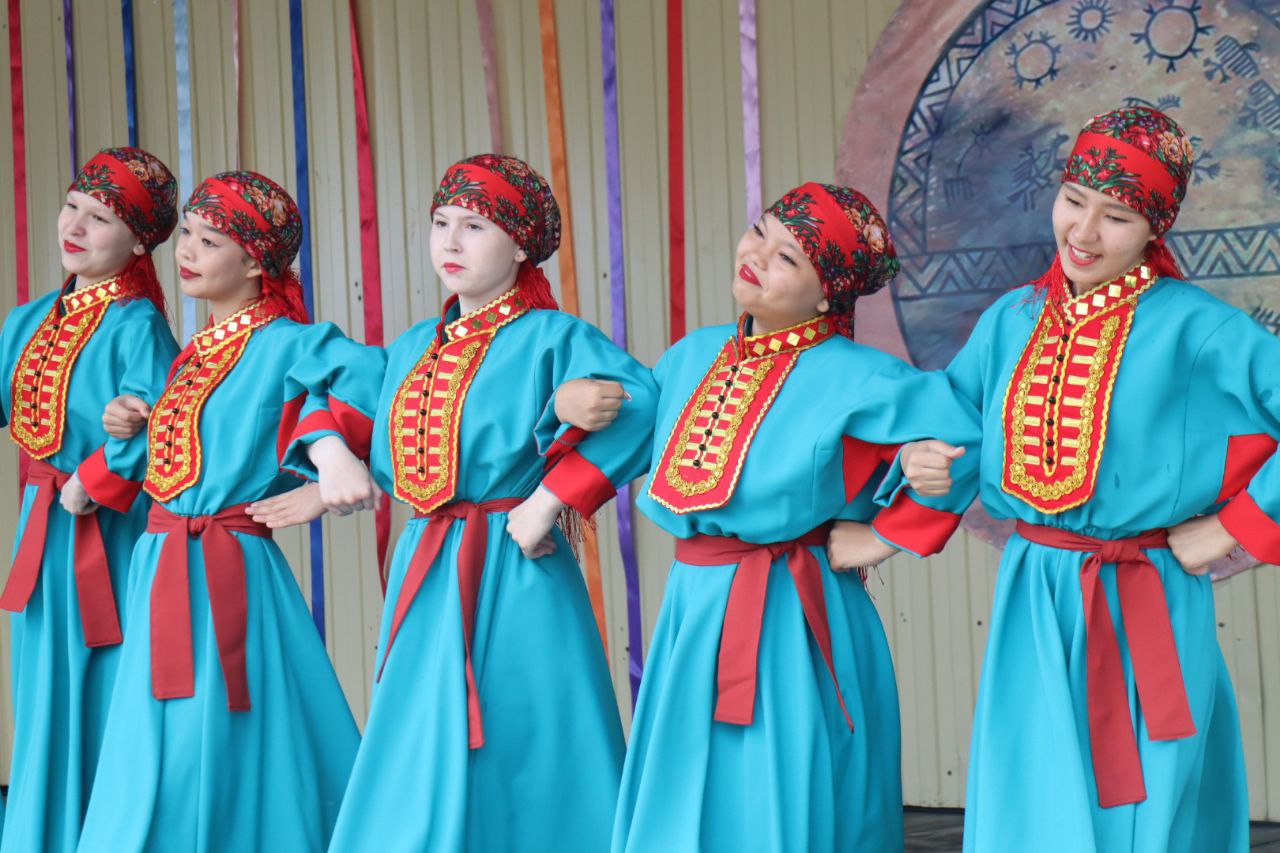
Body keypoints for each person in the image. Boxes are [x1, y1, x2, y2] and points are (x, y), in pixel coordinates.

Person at [865, 106, 1262, 851]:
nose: (1083, 231)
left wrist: (1232, 526)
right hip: (1034, 593)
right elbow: (953, 423)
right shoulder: (1012, 319)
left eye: (1116, 216)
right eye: (1074, 200)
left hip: (1146, 596)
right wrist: (918, 461)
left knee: (1146, 807)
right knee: (1032, 799)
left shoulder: (1198, 327)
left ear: (1155, 228)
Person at [589, 182, 980, 852]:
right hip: (694, 608)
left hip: (793, 615)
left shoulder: (864, 376)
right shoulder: (691, 355)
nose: (757, 256)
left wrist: (885, 534)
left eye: (788, 257)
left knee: (785, 788)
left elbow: (964, 440)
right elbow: (627, 419)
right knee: (689, 790)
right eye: (759, 232)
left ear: (829, 295)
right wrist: (569, 400)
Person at [326, 154, 658, 852]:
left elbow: (641, 406)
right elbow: (330, 398)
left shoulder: (556, 337)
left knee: (526, 730)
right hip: (425, 563)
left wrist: (551, 496)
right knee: (418, 729)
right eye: (440, 222)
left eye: (475, 226)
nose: (450, 241)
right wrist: (324, 459)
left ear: (521, 246)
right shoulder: (411, 348)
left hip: (515, 558)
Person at [77, 171, 383, 851]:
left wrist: (330, 461)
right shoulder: (197, 351)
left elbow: (367, 380)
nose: (187, 250)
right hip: (162, 561)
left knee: (213, 738)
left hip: (226, 572)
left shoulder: (288, 340)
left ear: (254, 263)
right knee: (155, 742)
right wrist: (132, 418)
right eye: (185, 233)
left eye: (210, 241)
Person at [0, 147, 179, 852]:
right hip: (41, 531)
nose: (75, 226)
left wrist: (94, 479)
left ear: (138, 242)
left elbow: (166, 421)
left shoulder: (138, 324)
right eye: (73, 206)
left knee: (104, 682)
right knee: (41, 690)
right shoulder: (29, 320)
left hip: (108, 535)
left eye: (100, 218)